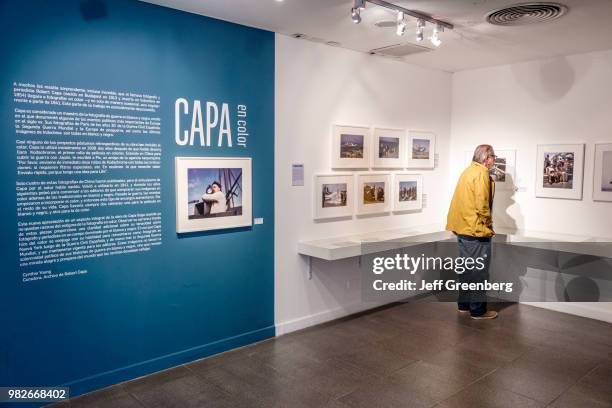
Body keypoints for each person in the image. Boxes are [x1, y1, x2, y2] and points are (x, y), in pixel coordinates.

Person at [446, 144, 498, 320]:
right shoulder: (481, 173)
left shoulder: (467, 171)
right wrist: (488, 224)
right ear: (486, 158)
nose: (494, 161)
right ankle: (477, 310)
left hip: (462, 228)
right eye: (493, 157)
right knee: (479, 271)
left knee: (467, 269)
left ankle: (464, 305)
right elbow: (482, 204)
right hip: (475, 229)